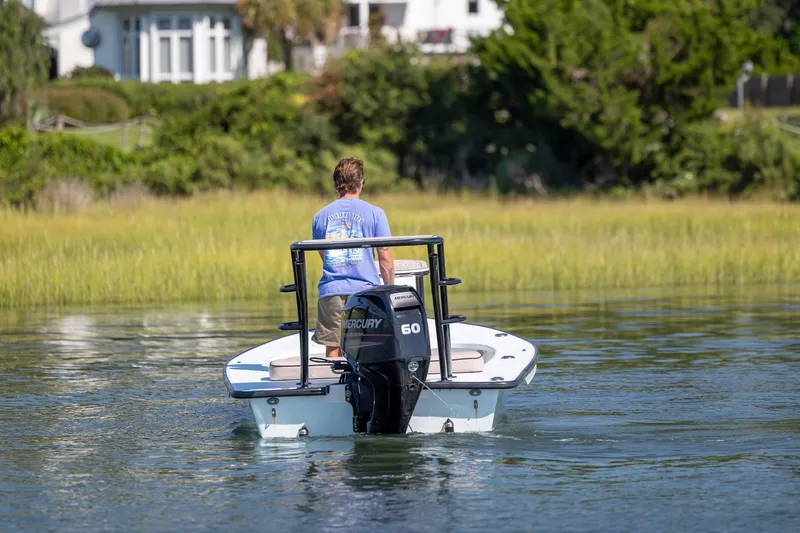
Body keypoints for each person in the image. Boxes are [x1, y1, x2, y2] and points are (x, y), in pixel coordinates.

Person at [311, 157, 395, 360]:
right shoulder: (375, 213)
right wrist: (389, 289)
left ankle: (334, 384)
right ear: (361, 182)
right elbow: (385, 256)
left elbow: (325, 255)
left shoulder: (320, 216)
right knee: (365, 347)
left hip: (331, 290)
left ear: (336, 183)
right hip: (365, 291)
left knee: (333, 346)